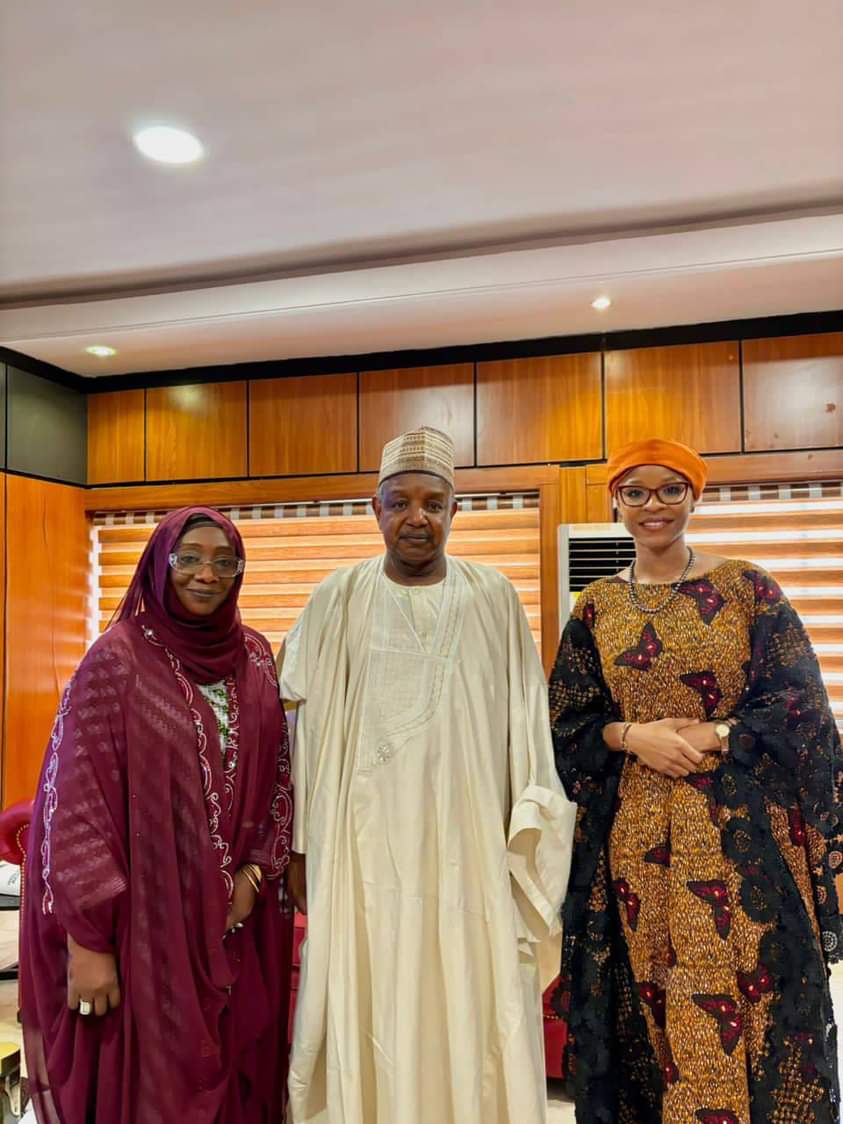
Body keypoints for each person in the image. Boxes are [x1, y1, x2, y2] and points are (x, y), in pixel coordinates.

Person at [279, 426, 575, 1124]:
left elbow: (528, 730)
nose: (418, 517)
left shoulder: (492, 598)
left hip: (467, 853)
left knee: (468, 999)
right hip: (358, 856)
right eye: (401, 502)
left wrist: (524, 847)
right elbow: (292, 732)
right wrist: (296, 846)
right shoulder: (335, 599)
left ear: (453, 510)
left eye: (433, 502)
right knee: (367, 992)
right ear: (374, 510)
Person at [550, 438, 843, 1123]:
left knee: (745, 991)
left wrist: (716, 733)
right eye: (636, 492)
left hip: (737, 833)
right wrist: (632, 736)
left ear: (695, 496)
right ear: (614, 501)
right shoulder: (593, 607)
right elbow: (566, 723)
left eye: (670, 490)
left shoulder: (747, 587)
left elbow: (800, 708)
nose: (653, 506)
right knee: (651, 990)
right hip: (635, 837)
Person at [21, 506, 294, 1124]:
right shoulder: (117, 661)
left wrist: (253, 876)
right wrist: (89, 942)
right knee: (153, 1086)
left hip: (236, 923)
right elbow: (78, 803)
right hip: (145, 928)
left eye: (226, 561)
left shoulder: (254, 656)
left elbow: (281, 768)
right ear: (159, 564)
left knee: (233, 1074)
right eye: (189, 558)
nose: (208, 574)